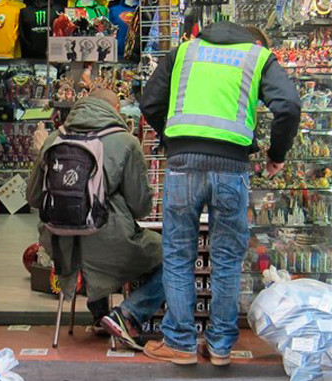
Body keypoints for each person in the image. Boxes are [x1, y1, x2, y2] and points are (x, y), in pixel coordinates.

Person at [140, 22, 300, 365]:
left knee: (178, 253)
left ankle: (181, 343)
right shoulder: (258, 57)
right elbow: (288, 105)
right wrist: (276, 154)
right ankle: (220, 346)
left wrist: (173, 141)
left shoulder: (184, 51)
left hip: (183, 164)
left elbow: (149, 102)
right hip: (232, 166)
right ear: (253, 39)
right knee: (227, 258)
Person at [27, 89, 166, 350]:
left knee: (87, 246)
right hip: (109, 245)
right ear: (115, 109)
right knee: (173, 258)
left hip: (59, 244)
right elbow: (140, 208)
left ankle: (99, 316)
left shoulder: (55, 138)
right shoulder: (125, 141)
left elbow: (33, 197)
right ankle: (128, 315)